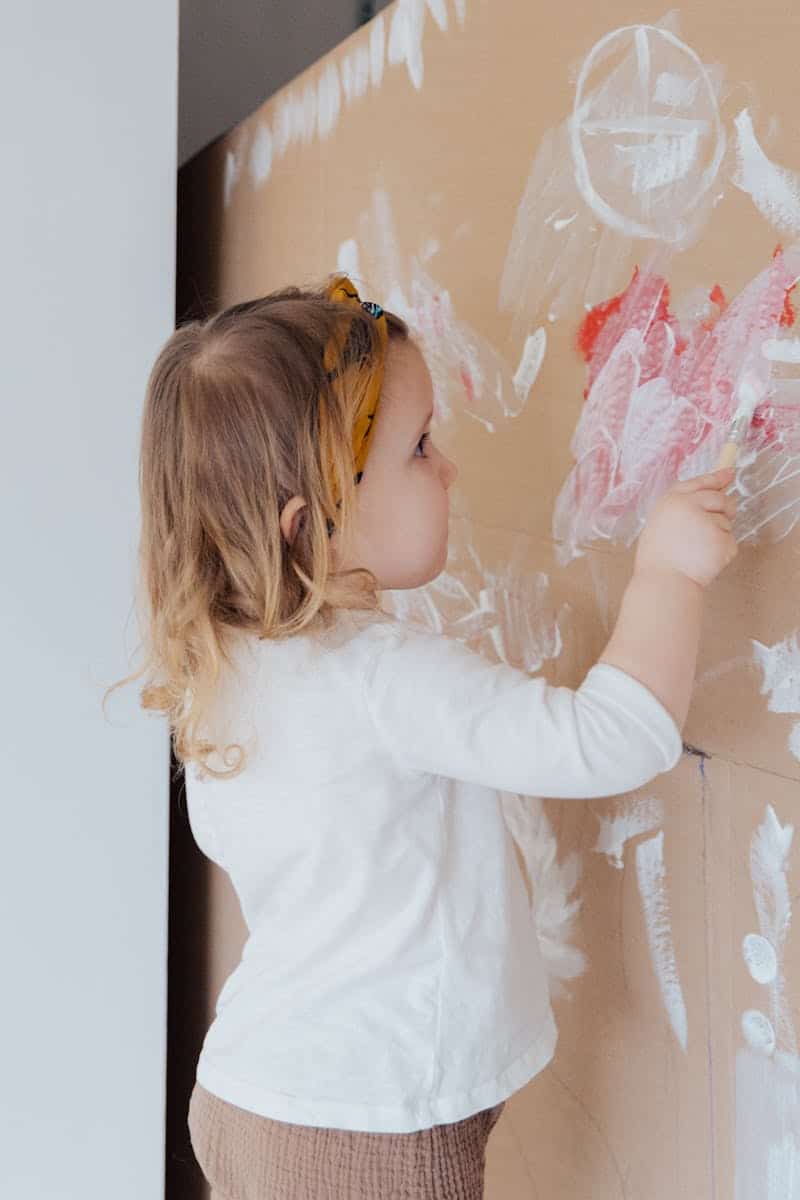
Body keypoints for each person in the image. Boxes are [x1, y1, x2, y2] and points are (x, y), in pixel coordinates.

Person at [115, 273, 738, 1199]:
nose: (448, 469)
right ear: (312, 522)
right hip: (371, 1131)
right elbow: (610, 739)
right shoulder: (379, 677)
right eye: (419, 448)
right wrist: (669, 574)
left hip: (248, 1094)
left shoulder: (224, 670)